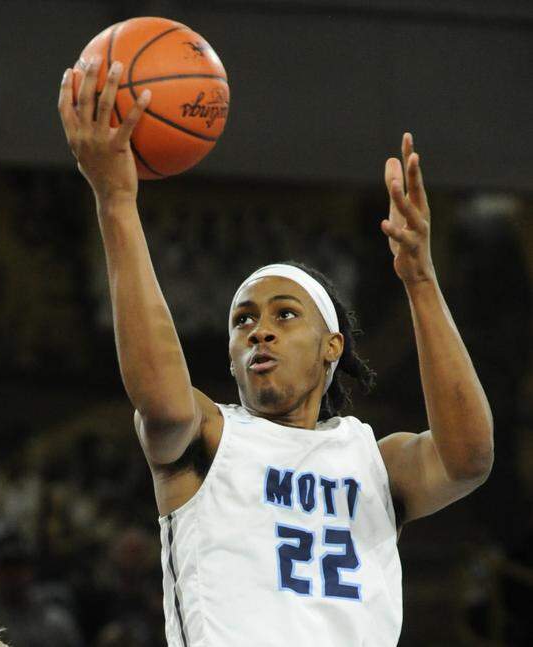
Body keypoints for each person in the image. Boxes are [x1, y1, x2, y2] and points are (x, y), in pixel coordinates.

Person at [57, 56, 494, 645]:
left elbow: (468, 459)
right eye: (243, 321)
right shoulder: (208, 439)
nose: (258, 331)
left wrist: (420, 280)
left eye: (285, 315)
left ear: (331, 347)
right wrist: (116, 202)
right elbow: (159, 401)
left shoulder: (375, 461)